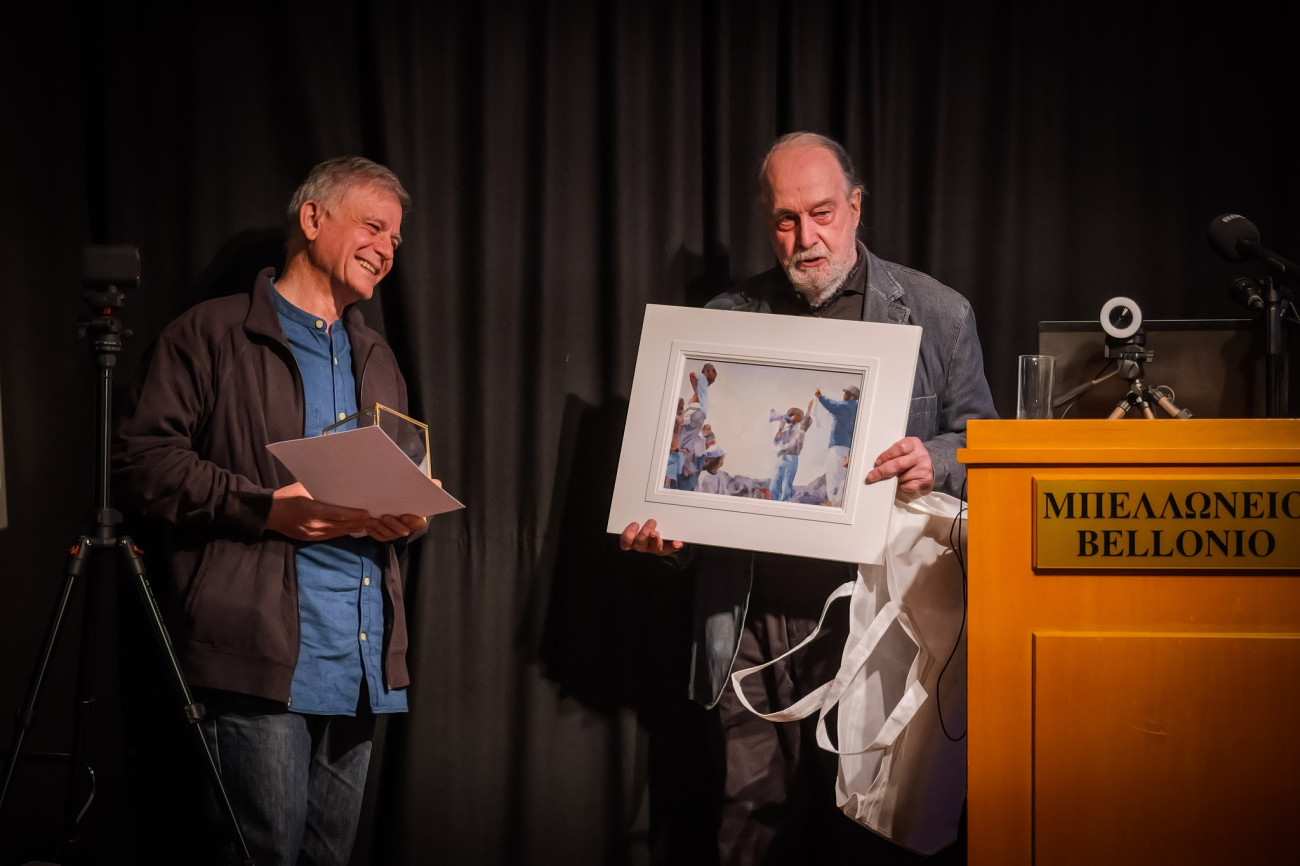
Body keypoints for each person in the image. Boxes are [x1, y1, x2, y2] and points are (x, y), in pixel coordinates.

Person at [620, 132, 997, 865]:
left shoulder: (938, 313)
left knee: (875, 826)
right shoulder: (728, 315)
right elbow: (691, 468)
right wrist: (669, 535)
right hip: (750, 615)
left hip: (880, 613)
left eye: (822, 213)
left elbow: (981, 444)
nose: (806, 237)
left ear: (855, 207)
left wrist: (939, 458)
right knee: (749, 821)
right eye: (786, 220)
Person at [113, 156, 429, 866]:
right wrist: (262, 509)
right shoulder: (211, 333)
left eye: (395, 238)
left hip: (360, 663)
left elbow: (395, 480)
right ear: (313, 218)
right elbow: (140, 460)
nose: (387, 248)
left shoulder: (377, 355)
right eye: (373, 227)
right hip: (260, 658)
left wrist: (408, 516)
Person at [813, 385, 860, 506]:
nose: (844, 395)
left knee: (833, 474)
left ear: (852, 396)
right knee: (843, 476)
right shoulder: (857, 408)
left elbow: (833, 406)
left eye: (847, 393)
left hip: (838, 446)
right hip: (849, 447)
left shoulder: (847, 406)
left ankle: (832, 502)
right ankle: (838, 502)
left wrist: (820, 397)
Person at [768, 400, 813, 502]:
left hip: (792, 457)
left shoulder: (801, 427)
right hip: (781, 457)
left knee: (786, 483)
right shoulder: (785, 429)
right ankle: (772, 501)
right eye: (792, 415)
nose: (793, 416)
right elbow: (776, 442)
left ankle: (784, 502)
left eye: (797, 415)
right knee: (775, 481)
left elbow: (807, 419)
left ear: (800, 418)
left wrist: (809, 408)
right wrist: (779, 431)